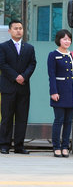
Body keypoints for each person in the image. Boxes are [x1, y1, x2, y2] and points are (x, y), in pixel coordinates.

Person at [0, 20, 37, 154]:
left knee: (22, 117)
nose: (18, 31)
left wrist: (24, 76)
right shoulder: (3, 47)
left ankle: (19, 146)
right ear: (10, 31)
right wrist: (16, 76)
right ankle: (4, 145)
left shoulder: (29, 48)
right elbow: (2, 64)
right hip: (8, 87)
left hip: (23, 87)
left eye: (20, 28)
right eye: (15, 28)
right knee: (7, 117)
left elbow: (32, 64)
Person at [47, 29, 73, 158]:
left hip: (72, 92)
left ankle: (65, 147)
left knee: (68, 121)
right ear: (59, 40)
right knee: (59, 120)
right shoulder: (53, 55)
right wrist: (53, 91)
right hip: (59, 92)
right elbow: (51, 75)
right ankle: (56, 147)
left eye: (69, 39)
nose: (67, 41)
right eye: (64, 39)